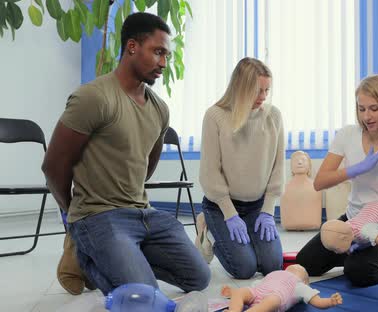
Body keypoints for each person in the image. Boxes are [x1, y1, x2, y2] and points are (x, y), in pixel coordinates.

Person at [42, 12, 211, 296]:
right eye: (158, 52)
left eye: (166, 55)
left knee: (200, 277)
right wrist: (74, 215)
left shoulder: (159, 109)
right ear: (132, 46)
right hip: (98, 216)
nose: (164, 63)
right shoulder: (93, 98)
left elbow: (147, 163)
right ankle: (85, 253)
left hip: (143, 214)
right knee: (143, 295)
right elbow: (53, 166)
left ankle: (121, 254)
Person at [296, 74, 378, 287]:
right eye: (362, 109)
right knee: (306, 263)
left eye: (374, 108)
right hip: (352, 222)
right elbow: (319, 182)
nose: (367, 116)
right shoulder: (347, 135)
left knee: (358, 272)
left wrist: (368, 237)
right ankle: (357, 256)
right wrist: (355, 169)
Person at [199, 57, 284, 279]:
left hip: (257, 207)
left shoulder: (274, 116)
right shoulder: (215, 116)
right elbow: (210, 172)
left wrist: (268, 210)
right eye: (257, 91)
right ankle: (207, 226)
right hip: (222, 206)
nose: (263, 97)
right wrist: (229, 213)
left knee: (272, 266)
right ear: (241, 87)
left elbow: (278, 166)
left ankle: (247, 235)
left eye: (267, 90)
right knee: (244, 269)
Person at [220, 264, 343, 312]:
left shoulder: (300, 285)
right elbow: (254, 286)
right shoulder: (275, 274)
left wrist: (329, 301)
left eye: (299, 269)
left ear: (306, 282)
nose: (294, 268)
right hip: (257, 291)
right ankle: (233, 310)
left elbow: (317, 301)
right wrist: (233, 293)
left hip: (275, 297)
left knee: (272, 301)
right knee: (241, 291)